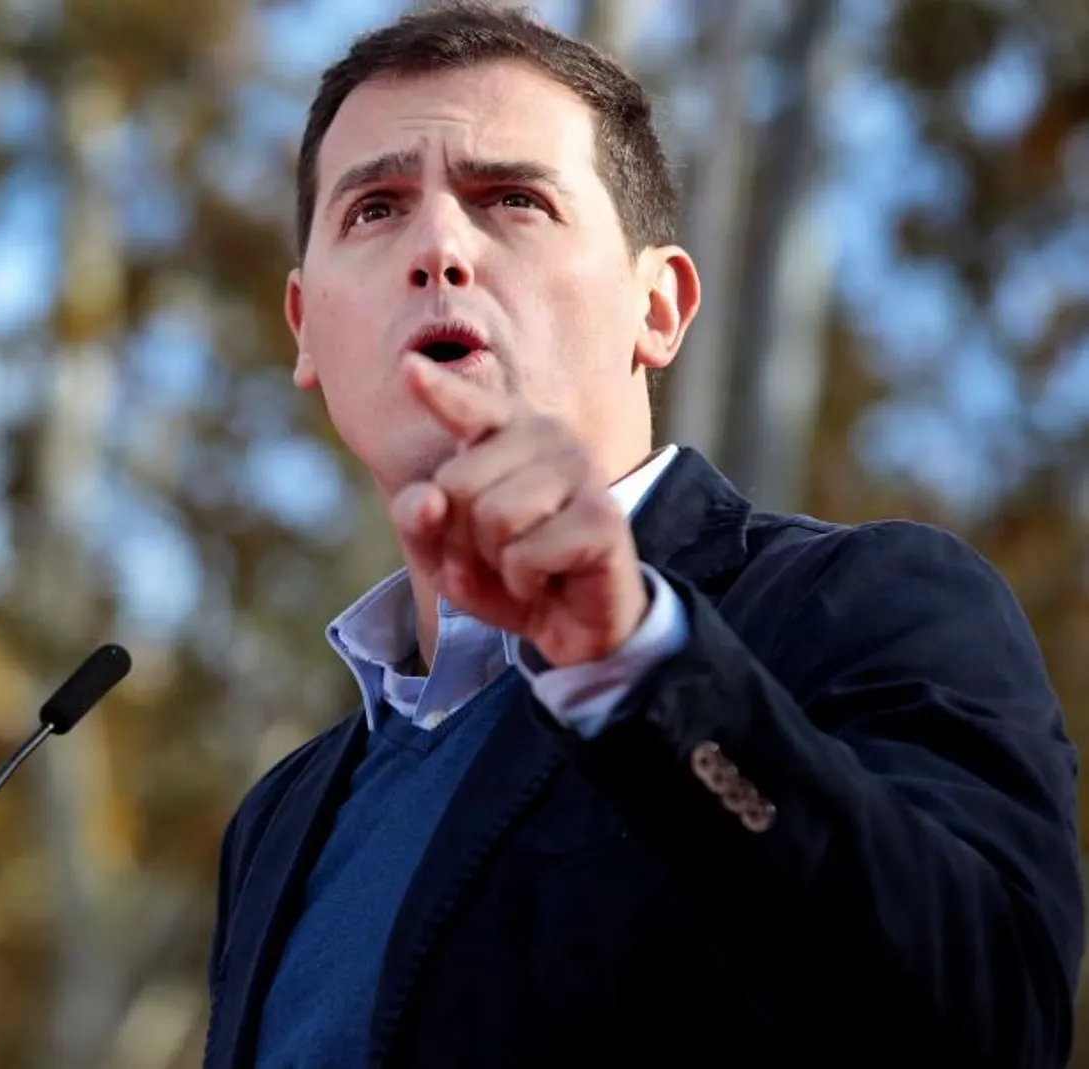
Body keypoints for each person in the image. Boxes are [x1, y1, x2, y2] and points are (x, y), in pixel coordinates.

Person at [201, 4, 1084, 1068]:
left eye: (511, 199)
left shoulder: (863, 606)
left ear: (656, 307)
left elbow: (987, 1026)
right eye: (375, 208)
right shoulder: (280, 816)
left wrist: (634, 665)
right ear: (305, 329)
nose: (436, 247)